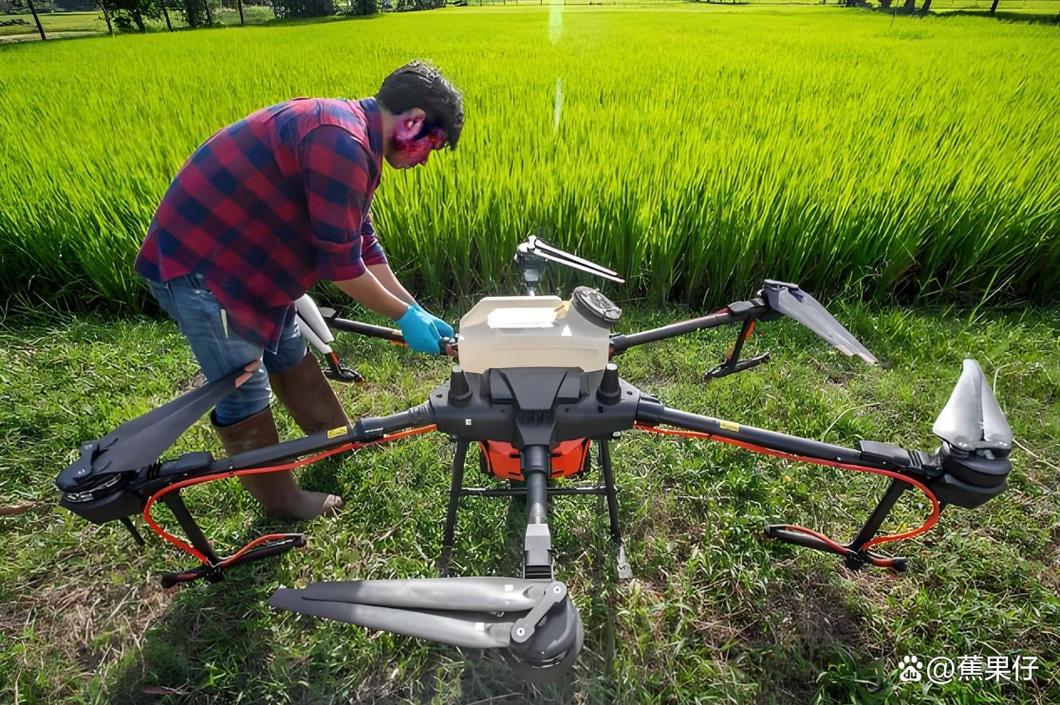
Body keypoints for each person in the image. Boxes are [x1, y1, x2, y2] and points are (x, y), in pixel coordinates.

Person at [134, 61, 464, 520]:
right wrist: (402, 319)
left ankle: (332, 438)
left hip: (255, 265)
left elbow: (361, 243)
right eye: (433, 144)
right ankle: (282, 501)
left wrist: (415, 308)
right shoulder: (341, 143)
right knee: (243, 383)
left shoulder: (353, 140)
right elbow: (341, 267)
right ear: (412, 121)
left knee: (287, 348)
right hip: (206, 270)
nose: (427, 157)